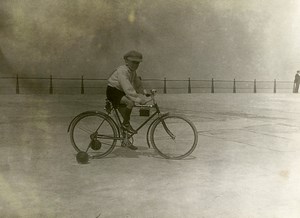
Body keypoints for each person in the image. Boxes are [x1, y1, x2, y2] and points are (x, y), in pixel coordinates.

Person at [106, 50, 149, 150]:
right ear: (126, 61)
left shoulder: (132, 72)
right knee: (130, 102)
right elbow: (127, 87)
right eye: (133, 62)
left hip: (120, 92)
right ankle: (126, 125)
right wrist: (138, 99)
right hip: (113, 91)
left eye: (137, 63)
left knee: (125, 116)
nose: (135, 65)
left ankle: (125, 140)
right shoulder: (122, 71)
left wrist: (144, 93)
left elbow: (138, 85)